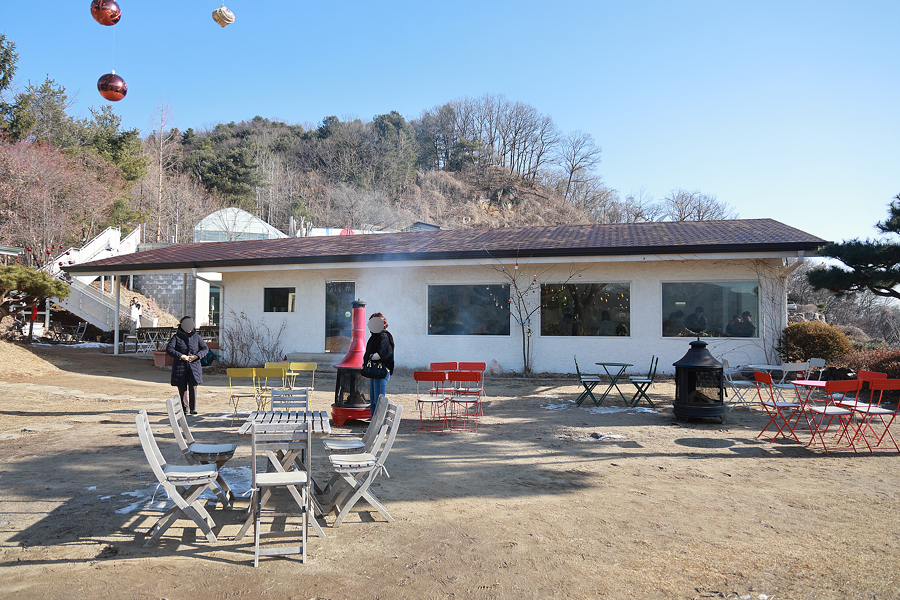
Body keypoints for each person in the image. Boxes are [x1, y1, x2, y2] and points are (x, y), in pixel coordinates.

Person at [166, 316, 209, 415]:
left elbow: (205, 348)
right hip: (180, 366)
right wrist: (181, 356)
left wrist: (197, 356)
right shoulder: (176, 337)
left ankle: (193, 408)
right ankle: (184, 408)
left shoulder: (197, 337)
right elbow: (169, 349)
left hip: (194, 366)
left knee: (193, 386)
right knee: (182, 387)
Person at [363, 312, 394, 416]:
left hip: (381, 372)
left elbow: (382, 354)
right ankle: (373, 429)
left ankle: (379, 430)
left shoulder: (384, 336)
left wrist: (370, 357)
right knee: (373, 403)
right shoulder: (374, 337)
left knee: (379, 403)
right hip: (373, 372)